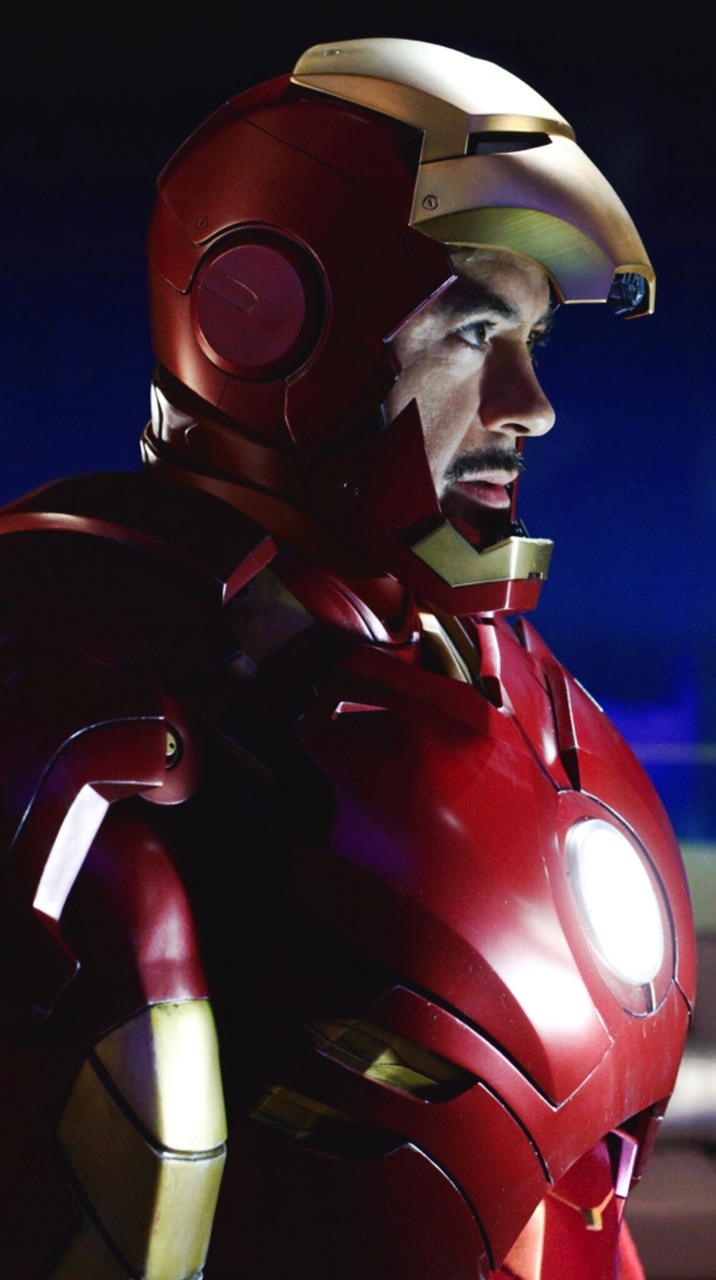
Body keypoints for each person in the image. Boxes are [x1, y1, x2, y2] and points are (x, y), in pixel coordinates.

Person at [0, 36, 695, 1280]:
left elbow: (575, 1200)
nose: (528, 403)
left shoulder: (486, 674)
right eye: (472, 330)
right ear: (264, 322)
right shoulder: (81, 648)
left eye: (532, 341)